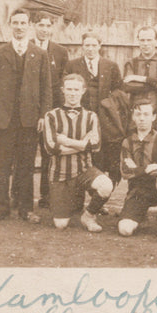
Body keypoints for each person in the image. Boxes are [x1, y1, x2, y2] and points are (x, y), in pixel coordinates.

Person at [0, 8, 52, 223]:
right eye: (15, 23)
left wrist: (43, 115)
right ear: (10, 24)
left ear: (29, 25)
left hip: (29, 121)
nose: (19, 27)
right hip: (4, 120)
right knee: (3, 166)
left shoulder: (40, 54)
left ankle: (26, 209)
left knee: (27, 166)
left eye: (23, 23)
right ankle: (0, 208)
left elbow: (46, 88)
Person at [42, 74, 113, 232]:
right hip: (60, 174)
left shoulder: (91, 116)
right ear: (62, 91)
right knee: (61, 224)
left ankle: (88, 215)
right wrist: (83, 144)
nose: (72, 93)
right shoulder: (51, 116)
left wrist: (66, 141)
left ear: (83, 91)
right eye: (69, 89)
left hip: (84, 170)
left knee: (106, 185)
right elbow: (51, 148)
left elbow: (95, 146)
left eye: (76, 89)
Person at [64, 31, 124, 184]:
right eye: (87, 45)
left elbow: (119, 89)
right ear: (82, 47)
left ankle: (105, 191)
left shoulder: (110, 65)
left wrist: (108, 102)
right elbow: (64, 87)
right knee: (85, 151)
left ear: (99, 46)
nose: (90, 49)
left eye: (93, 45)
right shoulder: (72, 65)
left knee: (107, 152)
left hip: (105, 117)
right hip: (82, 116)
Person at [118, 99, 157, 239]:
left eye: (146, 114)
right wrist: (148, 168)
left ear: (154, 117)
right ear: (133, 117)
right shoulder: (128, 142)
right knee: (125, 230)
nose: (142, 118)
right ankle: (139, 215)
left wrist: (137, 170)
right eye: (138, 114)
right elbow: (125, 172)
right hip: (137, 192)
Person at [33, 12, 70, 209]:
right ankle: (18, 195)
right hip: (29, 109)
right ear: (34, 26)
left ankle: (46, 196)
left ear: (52, 28)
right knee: (24, 153)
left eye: (48, 26)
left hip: (52, 110)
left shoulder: (60, 52)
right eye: (40, 25)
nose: (44, 29)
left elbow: (62, 82)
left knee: (49, 152)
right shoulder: (26, 47)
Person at [122, 26, 157, 134]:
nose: (145, 44)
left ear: (156, 41)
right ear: (138, 41)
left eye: (149, 40)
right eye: (142, 40)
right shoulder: (131, 63)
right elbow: (128, 87)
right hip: (136, 119)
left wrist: (141, 79)